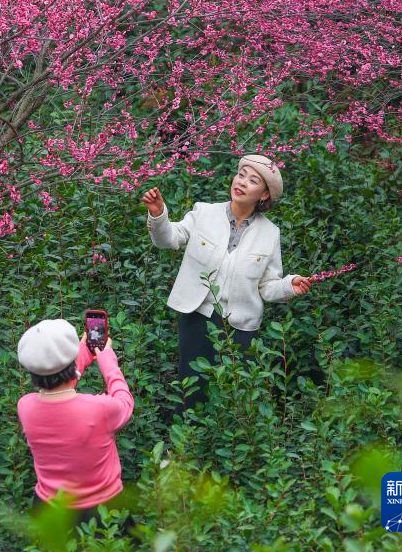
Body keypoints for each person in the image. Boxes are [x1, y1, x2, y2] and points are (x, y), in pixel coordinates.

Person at [142, 153, 311, 407]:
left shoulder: (270, 233)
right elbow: (169, 239)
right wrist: (158, 215)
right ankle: (186, 443)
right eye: (241, 175)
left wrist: (290, 285)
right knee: (192, 389)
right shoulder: (204, 212)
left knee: (233, 397)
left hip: (241, 328)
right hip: (197, 316)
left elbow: (267, 286)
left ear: (264, 195)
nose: (242, 182)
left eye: (253, 180)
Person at [16, 317, 134, 525]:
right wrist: (108, 363)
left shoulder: (25, 406)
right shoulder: (100, 409)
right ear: (71, 363)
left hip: (50, 510)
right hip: (103, 513)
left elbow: (56, 387)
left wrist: (79, 356)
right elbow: (125, 402)